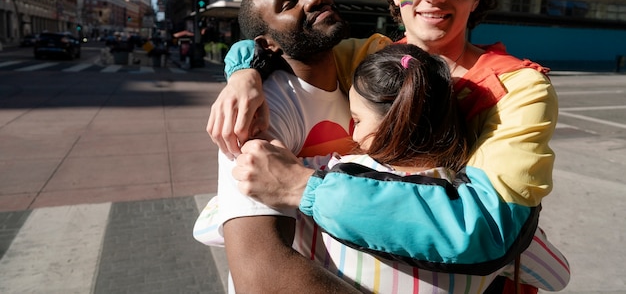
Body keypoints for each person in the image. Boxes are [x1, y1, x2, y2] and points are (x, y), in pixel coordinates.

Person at [209, 0, 563, 291]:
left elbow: (488, 229)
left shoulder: (518, 87)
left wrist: (303, 187)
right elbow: (286, 43)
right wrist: (244, 72)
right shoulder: (367, 56)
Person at [201, 42, 570, 292]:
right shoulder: (490, 213)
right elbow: (558, 275)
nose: (352, 132)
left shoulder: (324, 176)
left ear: (390, 124)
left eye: (357, 120)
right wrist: (243, 67)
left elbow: (209, 227)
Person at [196, 0, 388, 293]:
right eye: (288, 4)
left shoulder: (354, 83)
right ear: (266, 44)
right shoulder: (261, 108)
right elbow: (259, 274)